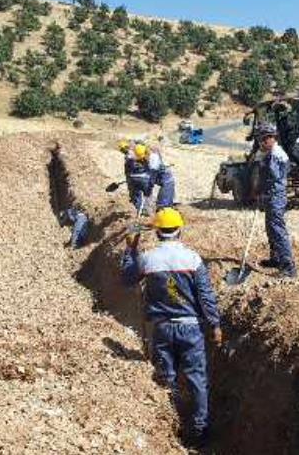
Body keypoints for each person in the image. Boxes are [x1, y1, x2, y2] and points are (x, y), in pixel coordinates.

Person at [121, 208, 222, 447]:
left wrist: (130, 250)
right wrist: (215, 325)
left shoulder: (148, 259)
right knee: (197, 379)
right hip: (191, 330)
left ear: (157, 232)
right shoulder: (193, 259)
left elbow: (127, 279)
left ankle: (172, 421)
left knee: (167, 378)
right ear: (179, 230)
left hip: (163, 330)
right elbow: (206, 297)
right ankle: (199, 431)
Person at [256, 123, 297, 278]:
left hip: (275, 196)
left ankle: (288, 267)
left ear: (270, 138)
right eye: (260, 140)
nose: (261, 143)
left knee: (278, 230)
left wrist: (262, 192)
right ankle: (276, 258)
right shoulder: (271, 152)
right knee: (271, 228)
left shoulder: (275, 155)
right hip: (271, 195)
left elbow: (271, 178)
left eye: (262, 140)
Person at [127, 143, 153, 214]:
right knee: (148, 194)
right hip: (144, 179)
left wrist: (129, 178)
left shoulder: (130, 160)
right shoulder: (146, 160)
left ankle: (137, 208)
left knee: (136, 194)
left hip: (133, 179)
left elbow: (128, 171)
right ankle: (146, 210)